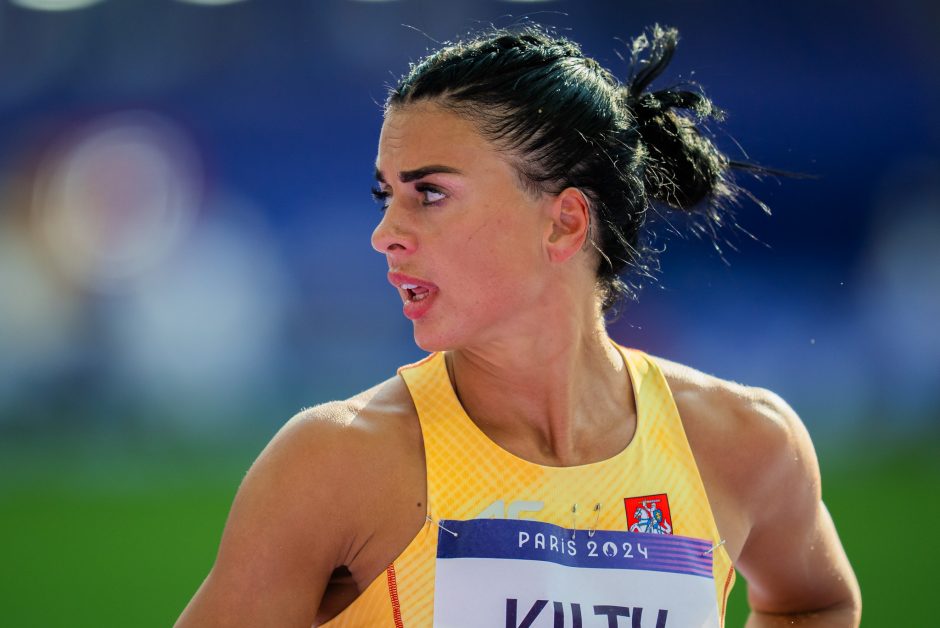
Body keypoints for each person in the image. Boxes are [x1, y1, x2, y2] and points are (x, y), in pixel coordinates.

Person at [176, 24, 861, 627]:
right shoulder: (334, 465)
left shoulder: (744, 443)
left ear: (563, 222)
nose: (385, 234)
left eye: (431, 193)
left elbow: (814, 604)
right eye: (387, 196)